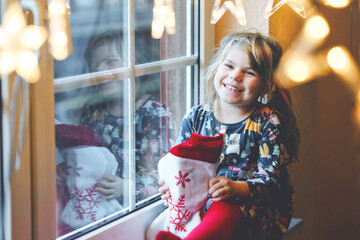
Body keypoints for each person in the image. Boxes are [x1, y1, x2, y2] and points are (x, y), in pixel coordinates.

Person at [157, 31, 300, 240]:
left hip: (252, 210)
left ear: (266, 86)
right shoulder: (196, 116)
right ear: (217, 67)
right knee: (184, 215)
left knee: (224, 208)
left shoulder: (268, 122)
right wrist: (171, 186)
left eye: (249, 72)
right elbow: (180, 164)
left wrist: (235, 188)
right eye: (229, 66)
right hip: (201, 203)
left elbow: (270, 183)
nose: (235, 75)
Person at [79, 31, 177, 204]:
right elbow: (83, 158)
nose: (99, 70)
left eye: (110, 61)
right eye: (95, 64)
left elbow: (165, 174)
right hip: (94, 206)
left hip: (139, 212)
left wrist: (126, 187)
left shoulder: (154, 113)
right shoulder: (92, 111)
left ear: (135, 65)